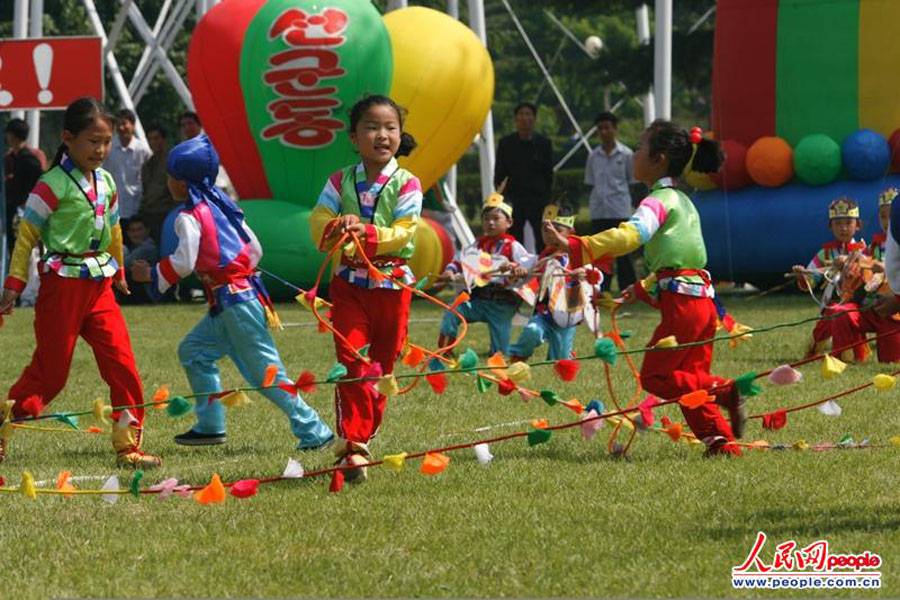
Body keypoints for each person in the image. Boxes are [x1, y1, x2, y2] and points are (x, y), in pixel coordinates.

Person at [543, 120, 745, 457]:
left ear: (659, 159)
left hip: (683, 305)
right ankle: (722, 443)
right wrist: (638, 289)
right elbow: (680, 258)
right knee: (688, 375)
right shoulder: (683, 200)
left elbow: (630, 235)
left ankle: (724, 390)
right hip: (701, 303)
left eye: (640, 148)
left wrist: (576, 244)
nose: (634, 154)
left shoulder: (658, 201)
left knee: (656, 377)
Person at [131, 134, 333, 450]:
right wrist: (237, 272)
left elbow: (184, 261)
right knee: (194, 352)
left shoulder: (188, 217)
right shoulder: (223, 206)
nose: (167, 182)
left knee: (265, 373)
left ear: (181, 183)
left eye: (170, 176)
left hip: (234, 304)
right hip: (236, 300)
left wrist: (151, 274)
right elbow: (255, 249)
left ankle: (315, 431)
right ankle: (210, 425)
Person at [0, 97, 161, 468]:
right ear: (68, 138)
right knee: (51, 374)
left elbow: (114, 229)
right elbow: (26, 236)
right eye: (93, 141)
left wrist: (119, 272)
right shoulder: (50, 184)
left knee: (122, 362)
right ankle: (4, 424)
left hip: (99, 286)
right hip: (62, 287)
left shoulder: (107, 181)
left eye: (105, 142)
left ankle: (128, 446)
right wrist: (14, 282)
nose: (100, 150)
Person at [310, 94, 422, 483]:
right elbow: (319, 217)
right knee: (352, 360)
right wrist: (336, 225)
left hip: (393, 286)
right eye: (372, 127)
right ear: (354, 137)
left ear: (400, 135)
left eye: (390, 127)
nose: (382, 135)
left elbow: (405, 231)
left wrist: (368, 232)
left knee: (382, 367)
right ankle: (353, 445)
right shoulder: (339, 180)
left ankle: (363, 436)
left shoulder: (408, 183)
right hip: (349, 286)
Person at [437, 192, 535, 356]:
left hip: (502, 304)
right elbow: (461, 260)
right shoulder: (477, 245)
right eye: (486, 219)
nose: (490, 223)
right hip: (478, 300)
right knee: (453, 310)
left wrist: (517, 268)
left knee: (498, 354)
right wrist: (450, 271)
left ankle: (502, 351)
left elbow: (527, 264)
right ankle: (445, 350)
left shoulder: (513, 246)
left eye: (496, 218)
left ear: (509, 222)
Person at [508, 204, 603, 361]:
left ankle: (565, 354)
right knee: (532, 331)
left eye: (557, 230)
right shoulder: (540, 259)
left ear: (571, 232)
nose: (550, 234)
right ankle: (517, 358)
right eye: (545, 230)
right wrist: (518, 270)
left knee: (559, 361)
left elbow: (596, 278)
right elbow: (522, 271)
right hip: (543, 313)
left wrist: (584, 275)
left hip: (567, 315)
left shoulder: (579, 259)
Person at [828, 188, 900, 362]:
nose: (888, 222)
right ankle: (846, 360)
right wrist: (849, 265)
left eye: (892, 217)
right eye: (883, 216)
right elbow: (859, 272)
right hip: (871, 306)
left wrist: (876, 266)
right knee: (840, 312)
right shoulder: (871, 247)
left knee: (891, 362)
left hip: (896, 311)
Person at [792, 198, 867, 359]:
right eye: (838, 223)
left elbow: (870, 277)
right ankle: (816, 353)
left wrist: (850, 264)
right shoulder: (824, 253)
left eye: (848, 223)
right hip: (831, 304)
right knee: (823, 329)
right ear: (830, 226)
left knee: (841, 315)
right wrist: (803, 276)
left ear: (858, 225)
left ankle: (850, 354)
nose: (843, 228)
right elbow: (812, 278)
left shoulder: (863, 251)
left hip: (857, 303)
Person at [585, 112, 637, 292]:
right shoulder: (593, 156)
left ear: (615, 129)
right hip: (599, 210)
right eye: (600, 129)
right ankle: (600, 288)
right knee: (601, 253)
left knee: (623, 252)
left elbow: (633, 181)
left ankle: (628, 288)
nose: (604, 132)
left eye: (607, 128)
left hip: (620, 209)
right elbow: (590, 182)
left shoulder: (626, 154)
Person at [494, 102, 553, 253]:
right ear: (516, 119)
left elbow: (549, 174)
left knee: (542, 238)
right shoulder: (506, 144)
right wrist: (503, 197)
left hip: (537, 200)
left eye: (528, 114)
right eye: (521, 114)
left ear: (534, 119)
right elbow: (500, 173)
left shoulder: (544, 144)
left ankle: (544, 264)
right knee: (514, 238)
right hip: (515, 199)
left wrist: (547, 198)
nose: (524, 118)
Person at [103, 108, 151, 228]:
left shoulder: (142, 150)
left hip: (136, 207)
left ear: (133, 125)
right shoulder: (108, 148)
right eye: (118, 125)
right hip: (113, 208)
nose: (121, 128)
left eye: (124, 124)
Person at [4, 118, 44, 253]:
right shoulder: (10, 158)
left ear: (13, 136)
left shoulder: (29, 160)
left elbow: (39, 183)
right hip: (14, 211)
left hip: (26, 212)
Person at [140, 125, 177, 243]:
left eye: (156, 138)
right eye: (150, 139)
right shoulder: (147, 165)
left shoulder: (173, 161)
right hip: (150, 214)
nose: (153, 142)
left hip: (168, 212)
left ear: (164, 140)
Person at [119, 216, 158, 305]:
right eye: (132, 231)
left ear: (147, 231)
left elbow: (124, 265)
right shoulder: (134, 247)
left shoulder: (148, 248)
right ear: (128, 233)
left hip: (149, 292)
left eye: (139, 230)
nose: (136, 234)